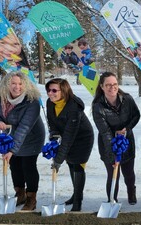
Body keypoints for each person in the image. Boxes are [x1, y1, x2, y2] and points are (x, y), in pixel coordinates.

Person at [0, 71, 45, 211]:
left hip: (31, 138)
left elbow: (24, 127)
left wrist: (12, 149)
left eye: (20, 83)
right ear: (7, 84)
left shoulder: (32, 101)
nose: (17, 87)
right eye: (13, 83)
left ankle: (31, 198)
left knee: (28, 166)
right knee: (14, 166)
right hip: (10, 136)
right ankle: (20, 193)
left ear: (26, 85)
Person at [45, 78, 94, 212]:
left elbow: (69, 136)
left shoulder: (73, 107)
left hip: (82, 139)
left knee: (78, 166)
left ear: (64, 91)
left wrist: (58, 160)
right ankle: (75, 194)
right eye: (49, 90)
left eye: (54, 90)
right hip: (68, 136)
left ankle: (78, 201)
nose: (50, 93)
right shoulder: (50, 103)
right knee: (71, 164)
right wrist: (54, 135)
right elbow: (52, 123)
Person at [92, 72, 140, 205]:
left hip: (127, 141)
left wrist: (127, 129)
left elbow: (136, 116)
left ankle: (131, 191)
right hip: (108, 144)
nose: (112, 87)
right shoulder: (98, 106)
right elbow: (105, 132)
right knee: (113, 174)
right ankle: (112, 199)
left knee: (129, 172)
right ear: (102, 86)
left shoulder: (127, 99)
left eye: (114, 84)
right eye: (108, 85)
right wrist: (112, 154)